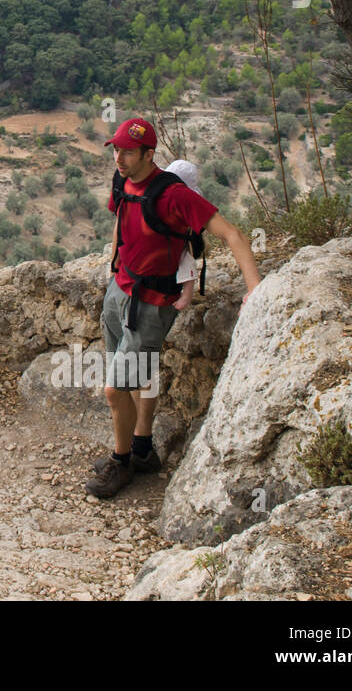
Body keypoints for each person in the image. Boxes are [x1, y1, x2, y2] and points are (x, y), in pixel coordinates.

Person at [86, 118, 261, 499]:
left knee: (115, 391)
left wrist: (256, 293)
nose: (118, 157)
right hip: (120, 291)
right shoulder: (122, 180)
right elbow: (121, 218)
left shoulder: (175, 195)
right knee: (138, 372)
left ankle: (121, 462)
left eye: (127, 151)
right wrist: (114, 267)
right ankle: (144, 449)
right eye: (115, 149)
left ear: (149, 155)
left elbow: (232, 234)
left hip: (150, 305)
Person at [164, 159, 201, 310]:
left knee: (186, 259)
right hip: (169, 235)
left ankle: (186, 296)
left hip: (181, 238)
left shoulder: (185, 201)